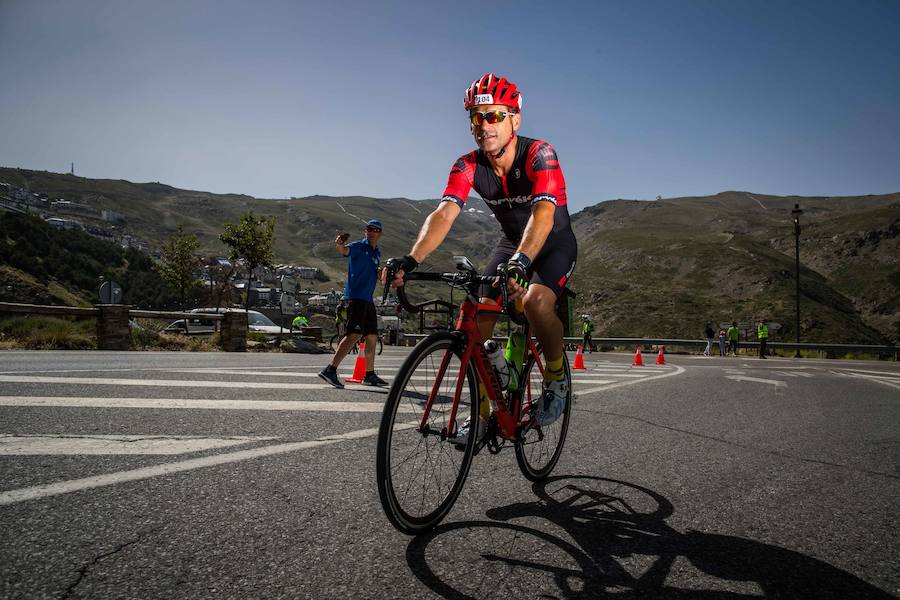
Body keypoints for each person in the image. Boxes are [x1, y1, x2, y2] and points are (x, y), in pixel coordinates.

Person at [384, 73, 577, 444]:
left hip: (552, 242)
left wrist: (522, 262)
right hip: (510, 243)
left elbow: (543, 215)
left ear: (514, 119)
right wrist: (412, 259)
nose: (484, 125)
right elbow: (443, 214)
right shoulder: (468, 165)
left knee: (536, 302)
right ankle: (485, 414)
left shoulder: (541, 154)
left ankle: (556, 378)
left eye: (494, 116)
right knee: (483, 307)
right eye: (477, 117)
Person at [318, 220, 388, 388]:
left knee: (372, 337)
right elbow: (344, 250)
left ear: (380, 234)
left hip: (368, 300)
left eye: (376, 230)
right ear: (366, 232)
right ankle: (330, 369)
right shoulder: (358, 246)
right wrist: (339, 243)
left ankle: (369, 374)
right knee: (354, 335)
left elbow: (376, 274)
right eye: (369, 229)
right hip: (355, 297)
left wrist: (384, 274)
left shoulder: (376, 253)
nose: (372, 232)